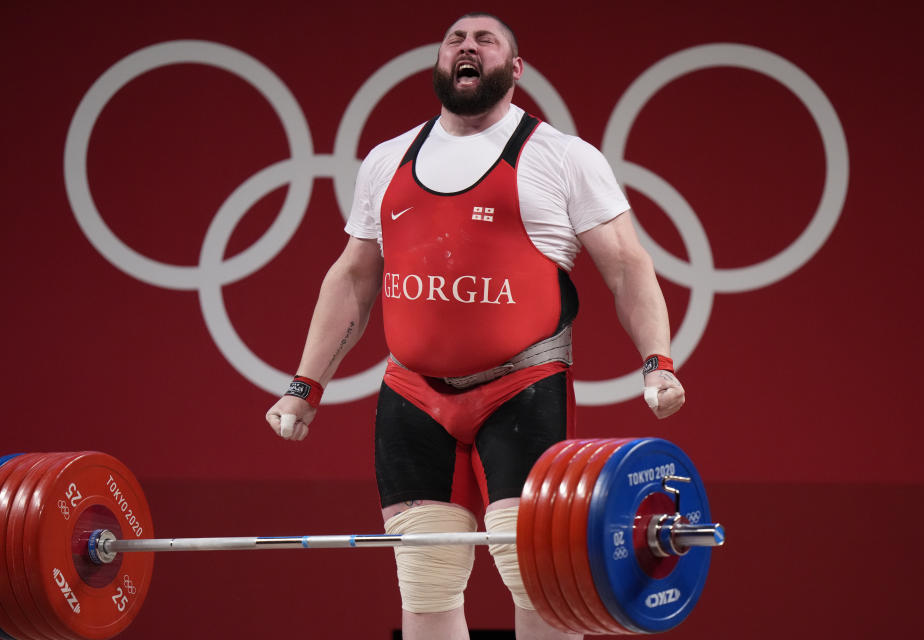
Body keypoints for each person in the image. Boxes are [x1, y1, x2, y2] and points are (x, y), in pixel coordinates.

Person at [265, 12, 685, 640]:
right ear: (441, 64)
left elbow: (627, 266)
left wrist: (657, 361)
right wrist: (305, 386)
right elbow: (354, 276)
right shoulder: (388, 158)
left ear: (514, 70)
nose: (467, 48)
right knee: (427, 578)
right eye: (455, 41)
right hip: (411, 396)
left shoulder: (562, 157)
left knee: (536, 573)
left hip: (522, 389)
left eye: (485, 41)